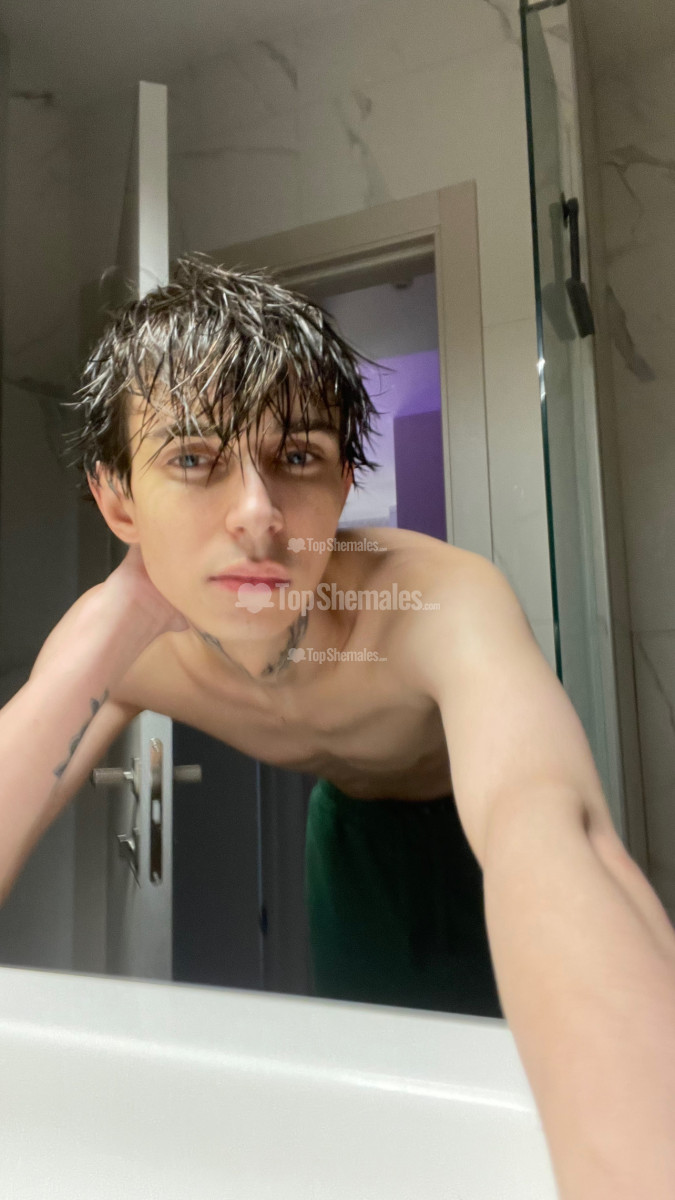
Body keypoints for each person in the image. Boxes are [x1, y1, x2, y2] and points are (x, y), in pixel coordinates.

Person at [1, 255, 674, 1197]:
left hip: (480, 838)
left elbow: (550, 828)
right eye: (191, 459)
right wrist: (109, 631)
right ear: (118, 498)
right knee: (404, 1108)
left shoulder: (432, 601)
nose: (258, 518)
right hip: (352, 840)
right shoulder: (120, 647)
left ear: (346, 480)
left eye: (298, 458)